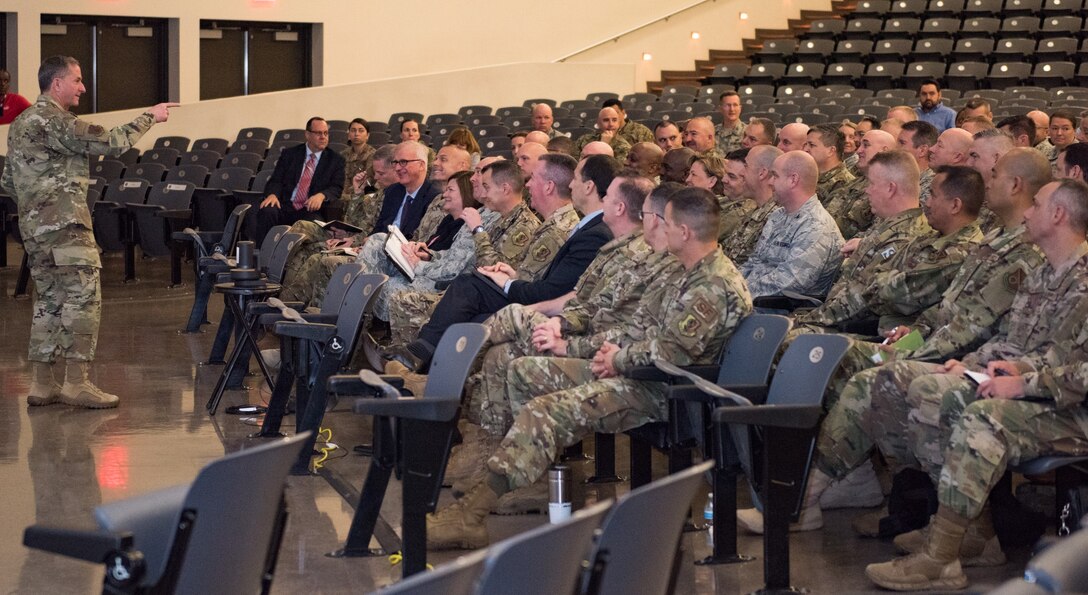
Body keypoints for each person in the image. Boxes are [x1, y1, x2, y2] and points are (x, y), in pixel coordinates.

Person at [425, 187, 753, 550]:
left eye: (667, 223)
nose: (657, 228)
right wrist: (599, 350)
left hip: (664, 390)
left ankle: (471, 516)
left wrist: (618, 358)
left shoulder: (713, 283)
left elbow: (674, 353)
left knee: (544, 412)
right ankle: (520, 479)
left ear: (685, 232)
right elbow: (637, 328)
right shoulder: (681, 268)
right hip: (635, 371)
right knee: (524, 370)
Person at [864, 179, 1088, 591]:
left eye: (1035, 205)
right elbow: (1020, 344)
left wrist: (1022, 383)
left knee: (982, 417)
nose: (1026, 213)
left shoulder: (1083, 281)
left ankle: (941, 559)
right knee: (927, 388)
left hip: (1073, 409)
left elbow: (1077, 371)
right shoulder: (1043, 271)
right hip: (1041, 388)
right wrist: (971, 364)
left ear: (1058, 214)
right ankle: (973, 535)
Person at [1, 55, 176, 408]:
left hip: (34, 230)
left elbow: (8, 181)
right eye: (77, 80)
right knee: (83, 299)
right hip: (66, 227)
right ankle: (76, 383)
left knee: (48, 302)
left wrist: (38, 208)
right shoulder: (56, 120)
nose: (83, 87)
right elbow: (110, 141)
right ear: (57, 84)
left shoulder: (20, 124)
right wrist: (150, 117)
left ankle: (41, 383)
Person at [403, 154, 615, 368]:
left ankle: (423, 365)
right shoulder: (570, 226)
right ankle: (423, 365)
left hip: (546, 308)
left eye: (532, 178)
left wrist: (508, 281)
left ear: (550, 187)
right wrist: (512, 275)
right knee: (469, 288)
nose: (528, 184)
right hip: (530, 295)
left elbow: (556, 290)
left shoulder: (571, 229)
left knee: (469, 290)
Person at [741, 151, 845, 297]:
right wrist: (729, 286)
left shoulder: (816, 226)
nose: (770, 182)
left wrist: (737, 295)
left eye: (775, 176)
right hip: (750, 298)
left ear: (793, 180)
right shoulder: (778, 216)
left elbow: (789, 284)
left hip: (778, 310)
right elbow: (754, 263)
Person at [256, 116, 346, 241]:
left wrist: (322, 195)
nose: (323, 137)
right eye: (318, 133)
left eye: (326, 133)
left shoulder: (335, 160)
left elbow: (336, 187)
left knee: (316, 226)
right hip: (285, 205)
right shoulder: (290, 154)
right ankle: (263, 255)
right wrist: (272, 194)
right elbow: (276, 180)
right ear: (307, 134)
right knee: (267, 211)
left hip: (309, 209)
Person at [721, 146, 782, 265]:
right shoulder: (754, 212)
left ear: (762, 173)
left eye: (746, 166)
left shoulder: (776, 219)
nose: (742, 173)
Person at [805, 123, 855, 205]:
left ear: (831, 151)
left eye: (812, 145)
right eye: (806, 144)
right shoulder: (810, 175)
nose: (806, 149)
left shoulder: (843, 183)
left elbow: (824, 217)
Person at [897, 120, 939, 205]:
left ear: (922, 150)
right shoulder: (897, 176)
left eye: (902, 143)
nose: (895, 148)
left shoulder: (932, 185)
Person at [339, 118, 375, 200]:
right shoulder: (342, 155)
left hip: (361, 197)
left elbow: (369, 181)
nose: (356, 134)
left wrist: (348, 195)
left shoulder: (373, 155)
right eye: (353, 130)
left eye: (361, 130)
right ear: (348, 135)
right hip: (342, 197)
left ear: (367, 135)